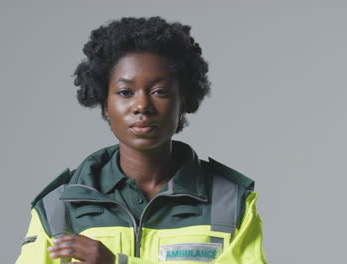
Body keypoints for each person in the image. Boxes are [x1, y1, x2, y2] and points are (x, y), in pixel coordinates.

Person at [15, 16, 267, 264]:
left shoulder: (232, 202)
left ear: (183, 103)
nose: (142, 105)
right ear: (105, 104)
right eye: (125, 92)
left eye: (159, 91)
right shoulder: (58, 208)